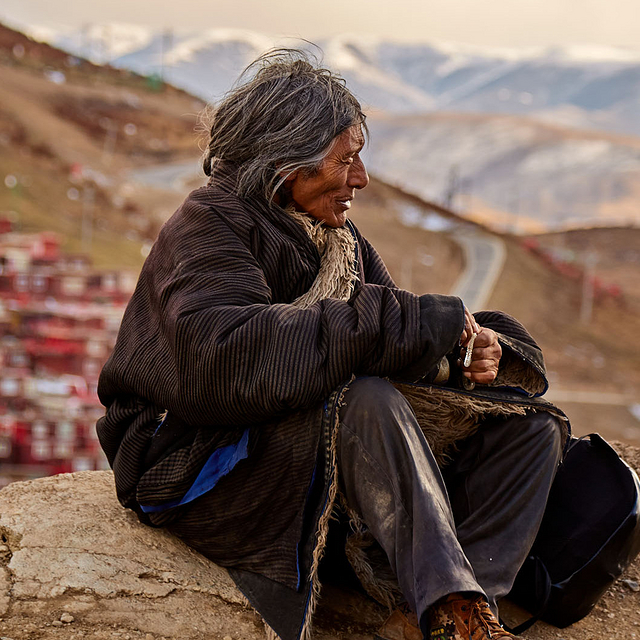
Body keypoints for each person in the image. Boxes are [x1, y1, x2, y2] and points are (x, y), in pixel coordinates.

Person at [97, 50, 568, 640]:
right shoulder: (207, 229)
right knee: (365, 400)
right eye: (345, 160)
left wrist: (465, 353)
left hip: (300, 457)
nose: (361, 179)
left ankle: (454, 609)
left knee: (529, 428)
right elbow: (224, 362)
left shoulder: (337, 242)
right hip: (199, 464)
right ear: (284, 163)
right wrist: (404, 324)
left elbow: (385, 339)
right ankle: (448, 607)